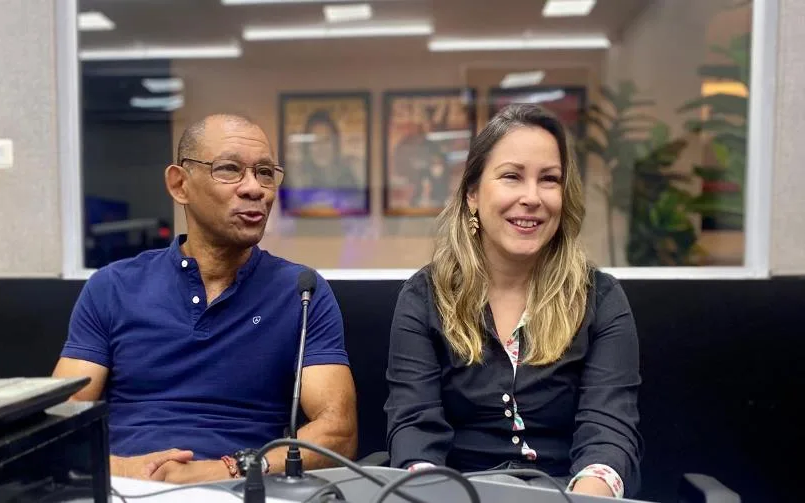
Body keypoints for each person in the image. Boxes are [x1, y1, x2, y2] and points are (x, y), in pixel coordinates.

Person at [53, 114, 358, 484]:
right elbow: (59, 421)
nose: (255, 189)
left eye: (265, 172)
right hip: (123, 486)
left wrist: (225, 469)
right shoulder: (113, 286)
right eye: (229, 169)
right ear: (180, 184)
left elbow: (338, 434)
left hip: (241, 487)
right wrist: (124, 470)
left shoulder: (301, 292)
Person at [384, 104, 642, 498]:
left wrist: (588, 495)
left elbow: (609, 430)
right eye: (511, 177)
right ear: (472, 193)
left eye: (549, 179)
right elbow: (414, 427)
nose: (532, 197)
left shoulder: (601, 298)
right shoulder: (424, 297)